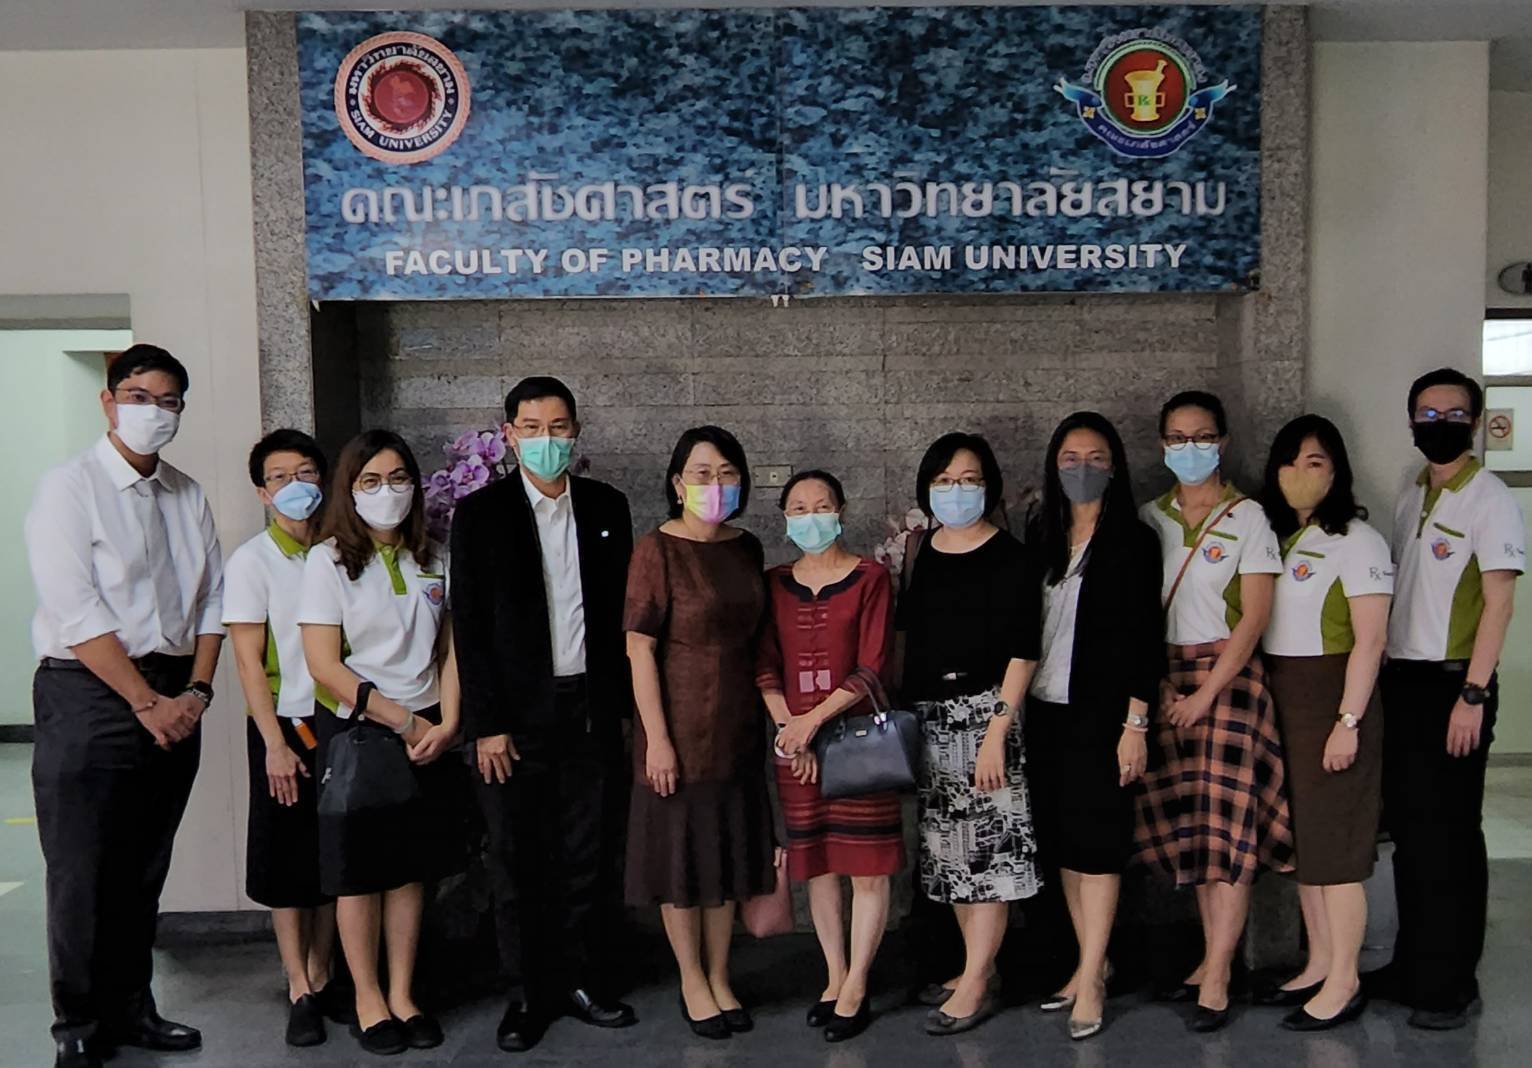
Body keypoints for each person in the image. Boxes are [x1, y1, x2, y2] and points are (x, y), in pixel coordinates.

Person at [25, 344, 224, 1068]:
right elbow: (75, 611)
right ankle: (78, 1023)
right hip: (91, 692)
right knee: (83, 868)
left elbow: (213, 602)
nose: (154, 413)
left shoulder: (187, 493)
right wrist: (145, 702)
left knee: (144, 865)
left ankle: (133, 1007)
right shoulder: (69, 488)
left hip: (177, 690)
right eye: (139, 397)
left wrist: (195, 693)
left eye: (169, 402)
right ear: (109, 401)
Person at [450, 377, 637, 1053]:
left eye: (558, 427)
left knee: (588, 853)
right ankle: (528, 993)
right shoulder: (480, 515)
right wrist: (487, 724)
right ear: (509, 436)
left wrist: (623, 710)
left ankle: (583, 980)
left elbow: (622, 616)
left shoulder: (606, 506)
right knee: (516, 858)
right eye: (531, 428)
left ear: (576, 431)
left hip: (590, 707)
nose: (546, 440)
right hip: (514, 719)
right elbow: (469, 627)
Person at [1365, 368, 1524, 1030]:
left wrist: (1473, 694)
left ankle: (1452, 983)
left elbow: (1499, 602)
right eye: (1427, 415)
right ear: (1411, 423)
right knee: (1411, 834)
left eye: (1454, 414)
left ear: (1475, 422)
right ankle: (1412, 965)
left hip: (1455, 687)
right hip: (1404, 682)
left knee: (1452, 836)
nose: (1440, 425)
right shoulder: (1413, 493)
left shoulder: (1489, 498)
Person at [298, 430, 464, 1056]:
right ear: (349, 490)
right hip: (361, 731)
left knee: (409, 872)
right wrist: (403, 721)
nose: (386, 492)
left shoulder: (434, 555)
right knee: (359, 874)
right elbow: (324, 664)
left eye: (398, 478)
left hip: (429, 730)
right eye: (370, 481)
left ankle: (403, 992)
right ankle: (367, 997)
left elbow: (450, 648)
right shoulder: (329, 561)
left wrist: (448, 721)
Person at [1134, 390, 1294, 1033]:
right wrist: (1162, 688)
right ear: (1162, 445)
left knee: (1229, 828)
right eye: (1177, 438)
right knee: (1195, 830)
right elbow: (1136, 614)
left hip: (1228, 678)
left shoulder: (1248, 517)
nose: (1190, 448)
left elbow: (1255, 617)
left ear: (1222, 442)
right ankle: (1209, 957)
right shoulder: (1150, 517)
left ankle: (1222, 972)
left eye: (1202, 437)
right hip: (1166, 677)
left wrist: (1206, 694)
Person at [623, 426, 776, 1042]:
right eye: (702, 473)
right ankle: (691, 978)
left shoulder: (747, 547)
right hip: (677, 728)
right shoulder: (656, 549)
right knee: (682, 861)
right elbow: (638, 650)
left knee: (724, 857)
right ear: (677, 482)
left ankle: (719, 973)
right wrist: (657, 739)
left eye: (727, 473)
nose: (715, 485)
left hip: (738, 726)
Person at [1023, 412, 1163, 1041]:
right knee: (1066, 844)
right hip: (1046, 711)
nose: (1083, 468)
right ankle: (1089, 963)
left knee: (1100, 845)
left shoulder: (1134, 541)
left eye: (1096, 458)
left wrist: (1136, 723)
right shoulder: (1042, 533)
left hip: (1105, 716)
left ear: (1116, 466)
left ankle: (1094, 979)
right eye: (1071, 458)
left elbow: (1144, 639)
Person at [899, 432, 1042, 1037]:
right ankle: (975, 967)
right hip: (932, 719)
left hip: (987, 717)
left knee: (990, 856)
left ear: (989, 486)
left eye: (968, 480)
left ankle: (979, 981)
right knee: (952, 858)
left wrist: (996, 733)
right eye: (944, 481)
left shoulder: (1012, 557)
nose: (956, 491)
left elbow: (1024, 651)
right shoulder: (923, 551)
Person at [1253, 414, 1393, 1031]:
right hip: (1282, 695)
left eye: (1315, 462)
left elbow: (1371, 641)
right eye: (1289, 462)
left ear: (1337, 470)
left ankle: (1345, 978)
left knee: (1336, 848)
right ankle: (1319, 962)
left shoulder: (1358, 540)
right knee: (1305, 845)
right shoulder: (1277, 537)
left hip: (1332, 699)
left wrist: (1348, 720)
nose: (1300, 474)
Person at [756, 470, 902, 1044]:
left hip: (858, 744)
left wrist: (811, 725)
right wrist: (790, 732)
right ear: (784, 518)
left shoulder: (871, 579)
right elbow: (765, 665)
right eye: (798, 507)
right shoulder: (773, 583)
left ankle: (858, 983)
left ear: (841, 510)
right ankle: (834, 976)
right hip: (794, 746)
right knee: (817, 865)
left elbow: (872, 667)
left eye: (821, 505)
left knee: (866, 868)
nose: (810, 516)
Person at [223, 429, 345, 1047]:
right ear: (262, 492)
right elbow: (248, 662)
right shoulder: (252, 562)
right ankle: (298, 984)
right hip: (284, 728)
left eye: (305, 473)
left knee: (331, 858)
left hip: (338, 724)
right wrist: (272, 743)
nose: (294, 486)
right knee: (286, 862)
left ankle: (325, 973)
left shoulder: (339, 551)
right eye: (279, 477)